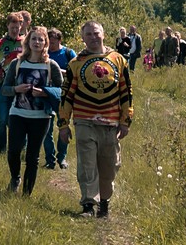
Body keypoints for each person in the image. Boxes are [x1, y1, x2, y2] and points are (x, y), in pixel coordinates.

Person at [56, 21, 133, 218]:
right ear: (83, 38)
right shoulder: (75, 63)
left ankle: (104, 204)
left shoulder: (118, 60)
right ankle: (89, 204)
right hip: (84, 120)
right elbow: (66, 95)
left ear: (103, 35)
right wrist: (63, 124)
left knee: (109, 166)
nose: (93, 37)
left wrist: (126, 120)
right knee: (87, 164)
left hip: (111, 123)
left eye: (96, 33)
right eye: (88, 34)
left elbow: (126, 92)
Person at [2, 26, 64, 196]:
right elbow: (5, 89)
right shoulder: (17, 63)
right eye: (34, 39)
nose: (37, 42)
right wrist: (16, 89)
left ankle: (26, 194)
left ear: (46, 43)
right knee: (14, 151)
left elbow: (62, 91)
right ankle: (15, 178)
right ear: (27, 42)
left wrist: (44, 92)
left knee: (33, 156)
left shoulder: (51, 65)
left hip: (41, 116)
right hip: (18, 114)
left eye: (40, 39)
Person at [0, 12, 25, 153]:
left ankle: (21, 149)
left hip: (21, 86)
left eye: (17, 27)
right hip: (3, 85)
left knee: (20, 119)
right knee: (2, 119)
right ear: (7, 26)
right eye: (12, 27)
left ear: (21, 26)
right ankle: (1, 150)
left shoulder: (25, 43)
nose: (14, 30)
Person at [43, 28, 78, 169]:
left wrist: (58, 71)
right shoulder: (43, 54)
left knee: (63, 124)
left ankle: (62, 157)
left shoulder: (68, 53)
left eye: (53, 43)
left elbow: (76, 71)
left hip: (64, 95)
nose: (50, 46)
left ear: (59, 40)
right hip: (46, 94)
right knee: (47, 128)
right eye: (48, 42)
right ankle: (49, 159)